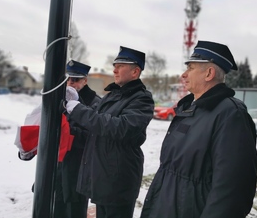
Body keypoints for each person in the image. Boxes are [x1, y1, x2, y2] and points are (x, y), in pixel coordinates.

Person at [140, 41, 257, 218]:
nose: (183, 74)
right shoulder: (190, 109)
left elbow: (233, 190)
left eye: (191, 68)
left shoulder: (231, 115)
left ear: (209, 73)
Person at [65, 46, 154, 218]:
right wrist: (77, 105)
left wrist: (78, 110)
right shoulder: (114, 95)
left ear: (135, 72)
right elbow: (96, 122)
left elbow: (121, 128)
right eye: (115, 65)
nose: (114, 69)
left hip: (117, 180)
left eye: (120, 65)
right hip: (104, 177)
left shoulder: (141, 98)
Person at [17, 60, 101, 218]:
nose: (70, 83)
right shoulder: (58, 98)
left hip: (77, 169)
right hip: (54, 167)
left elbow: (93, 137)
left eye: (75, 80)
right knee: (52, 209)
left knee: (74, 212)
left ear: (85, 80)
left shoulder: (94, 103)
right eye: (68, 79)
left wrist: (66, 133)